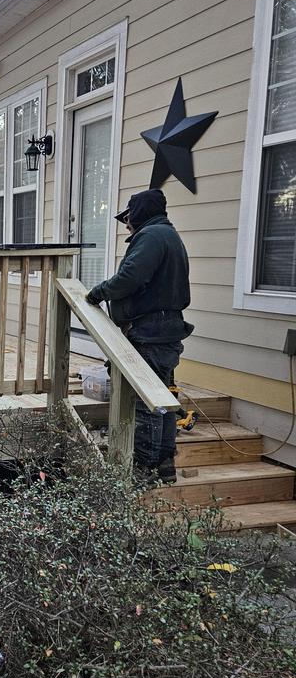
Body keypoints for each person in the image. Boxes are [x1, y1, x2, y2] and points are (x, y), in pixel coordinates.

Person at [85, 189, 193, 484]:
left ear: (139, 213)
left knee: (144, 402)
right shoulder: (166, 235)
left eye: (129, 218)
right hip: (163, 330)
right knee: (163, 397)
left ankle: (142, 470)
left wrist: (98, 292)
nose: (127, 225)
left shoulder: (152, 237)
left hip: (150, 333)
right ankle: (165, 464)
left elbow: (130, 277)